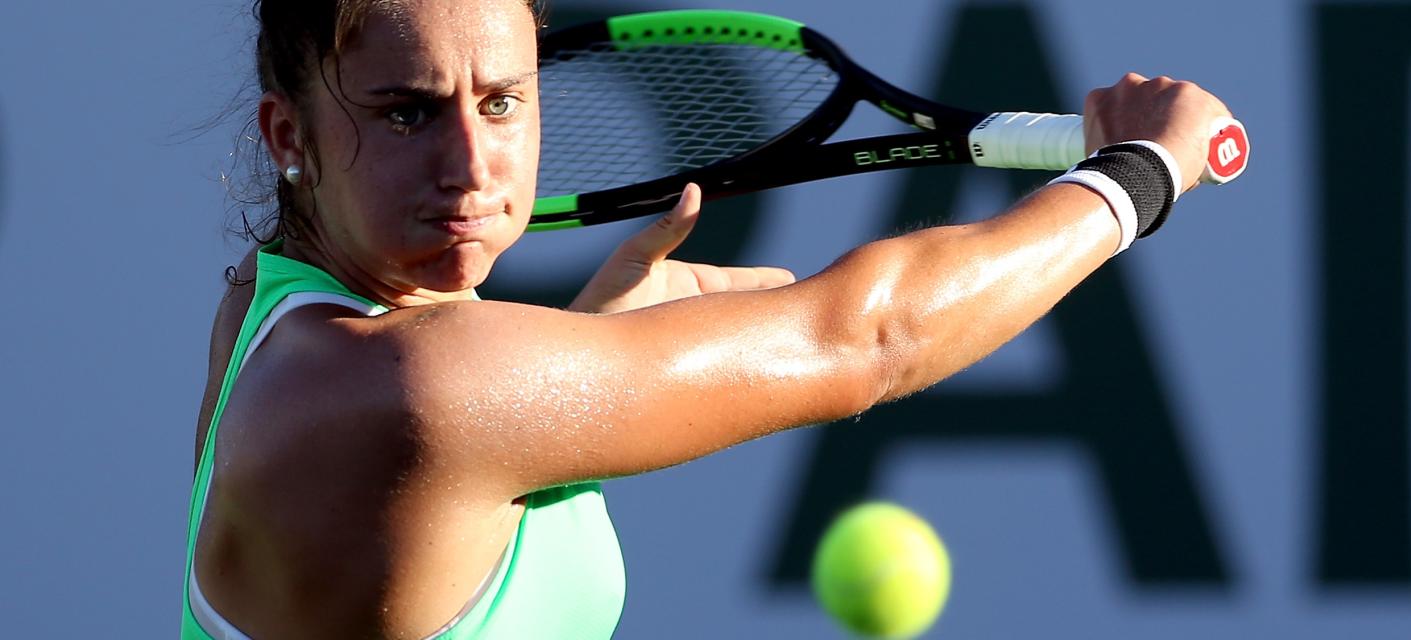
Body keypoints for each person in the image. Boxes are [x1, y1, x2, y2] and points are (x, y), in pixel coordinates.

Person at [183, 0, 1237, 637]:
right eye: (406, 111)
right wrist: (1137, 175)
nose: (470, 166)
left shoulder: (267, 304)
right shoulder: (407, 385)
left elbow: (417, 521)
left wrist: (585, 344)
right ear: (289, 132)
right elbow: (863, 340)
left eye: (501, 100)